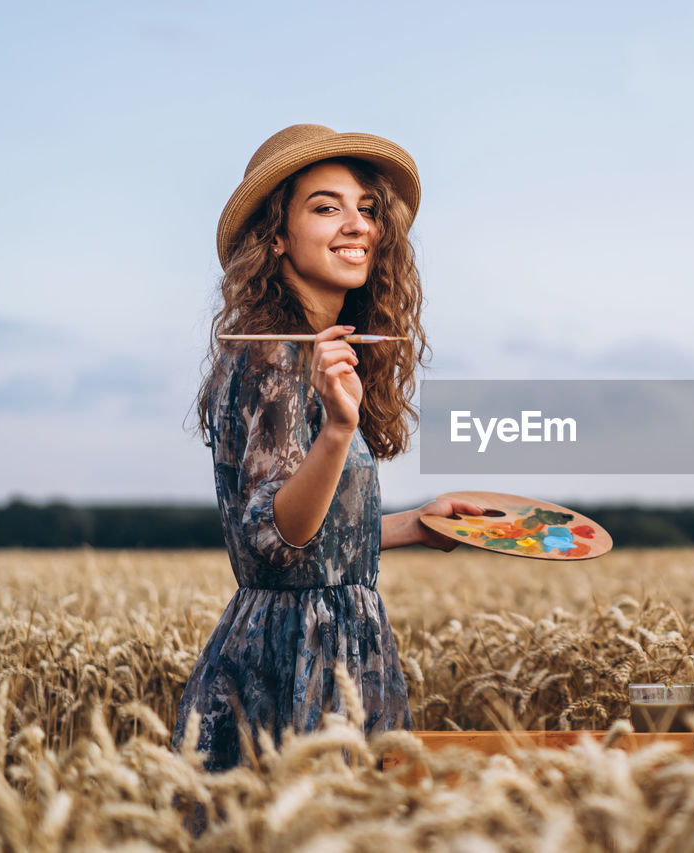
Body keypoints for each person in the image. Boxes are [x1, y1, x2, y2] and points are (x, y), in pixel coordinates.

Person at [172, 124, 479, 771]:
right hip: (291, 665)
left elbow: (322, 542)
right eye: (325, 206)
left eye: (367, 209)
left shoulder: (317, 352)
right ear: (276, 235)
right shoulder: (271, 357)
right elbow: (276, 538)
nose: (357, 224)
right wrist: (338, 430)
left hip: (344, 649)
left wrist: (419, 524)